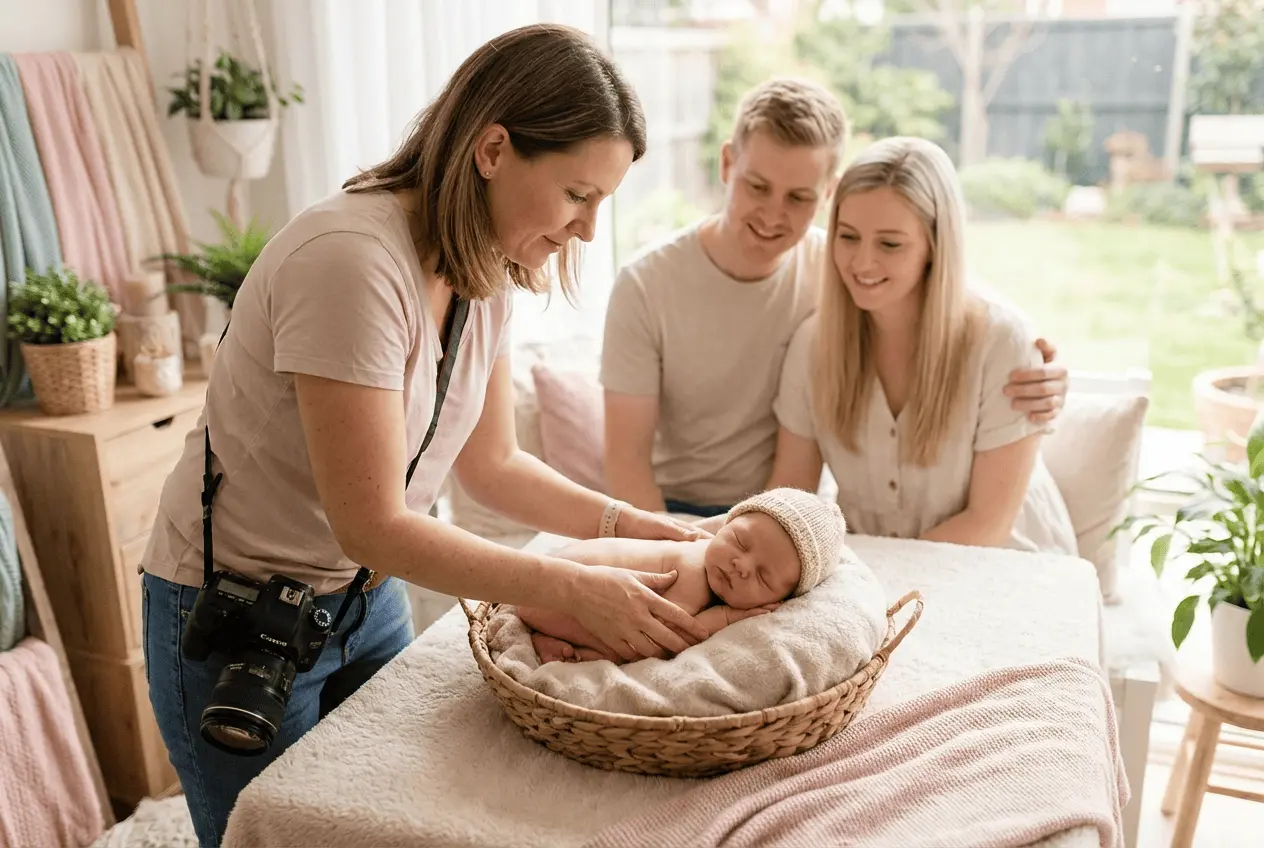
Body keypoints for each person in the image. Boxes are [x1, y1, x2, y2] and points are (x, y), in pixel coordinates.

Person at [137, 24, 712, 847]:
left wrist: (635, 527)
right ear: (492, 149)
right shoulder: (352, 263)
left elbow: (494, 468)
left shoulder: (487, 267)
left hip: (369, 599)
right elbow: (370, 519)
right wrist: (568, 587)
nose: (587, 229)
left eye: (603, 202)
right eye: (579, 194)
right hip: (238, 617)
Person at [601, 77, 1068, 519]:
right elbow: (626, 466)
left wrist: (1036, 355)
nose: (772, 214)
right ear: (727, 164)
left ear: (828, 192)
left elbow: (934, 277)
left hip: (786, 510)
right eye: (757, 186)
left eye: (798, 198)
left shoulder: (842, 267)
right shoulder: (646, 284)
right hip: (669, 505)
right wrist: (672, 550)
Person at [761, 136, 1077, 553]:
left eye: (890, 244)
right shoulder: (813, 345)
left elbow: (987, 526)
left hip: (1004, 566)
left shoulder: (1002, 345)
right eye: (848, 237)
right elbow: (791, 499)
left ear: (935, 244)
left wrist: (875, 587)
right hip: (871, 577)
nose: (862, 263)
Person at [520, 487, 846, 664]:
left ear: (781, 599)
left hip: (542, 592)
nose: (741, 566)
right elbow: (665, 637)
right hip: (547, 594)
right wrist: (725, 618)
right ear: (726, 525)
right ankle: (554, 638)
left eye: (763, 577)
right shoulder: (692, 568)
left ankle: (548, 639)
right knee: (631, 650)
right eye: (739, 541)